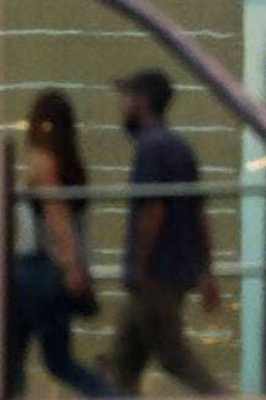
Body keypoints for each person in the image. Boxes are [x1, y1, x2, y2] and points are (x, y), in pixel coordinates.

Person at [106, 69, 225, 395]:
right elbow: (199, 214)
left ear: (141, 101)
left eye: (127, 97)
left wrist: (140, 268)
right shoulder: (179, 147)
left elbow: (152, 212)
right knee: (124, 363)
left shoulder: (150, 148)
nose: (121, 105)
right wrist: (206, 272)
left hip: (154, 277)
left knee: (173, 357)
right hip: (173, 274)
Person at [7, 91, 112, 397]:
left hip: (34, 269)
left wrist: (70, 267)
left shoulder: (41, 163)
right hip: (55, 273)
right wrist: (76, 267)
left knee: (11, 356)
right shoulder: (72, 166)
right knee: (59, 362)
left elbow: (56, 218)